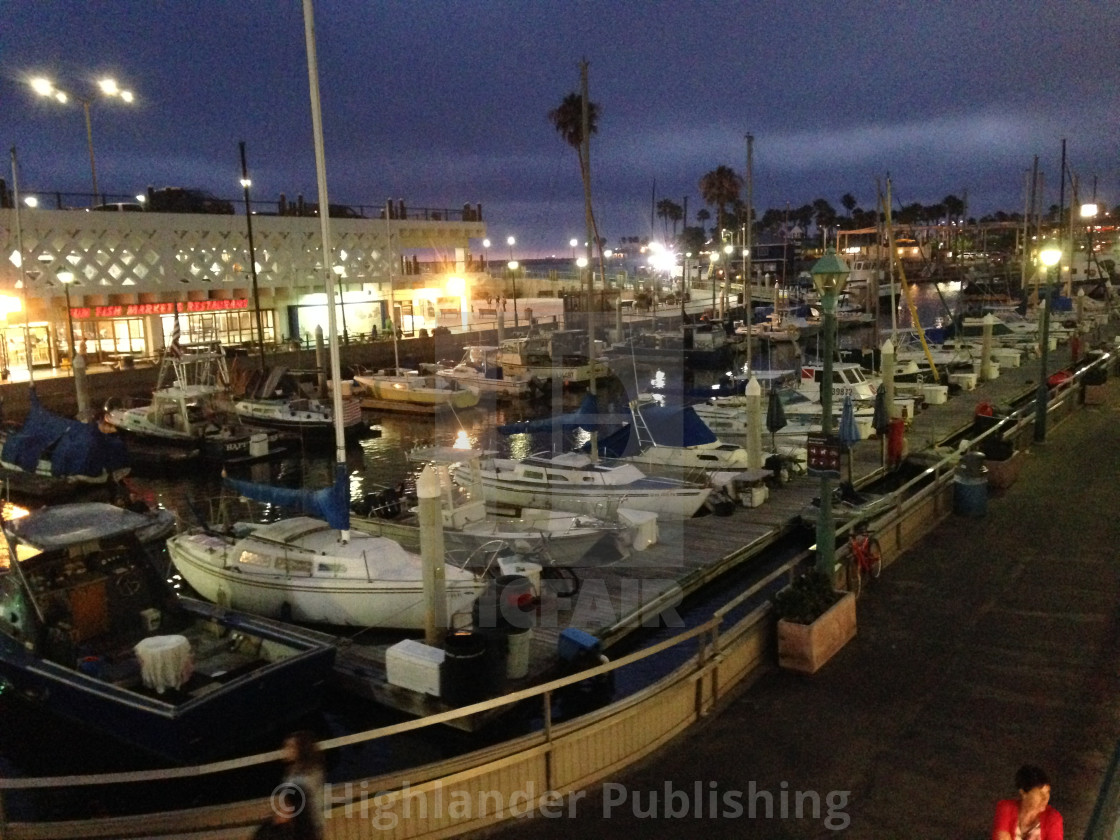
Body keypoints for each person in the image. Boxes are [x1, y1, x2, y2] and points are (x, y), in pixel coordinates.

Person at [256, 731, 325, 840]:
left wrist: (280, 817)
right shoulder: (292, 772)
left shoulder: (310, 772)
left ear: (301, 749)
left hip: (307, 827)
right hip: (298, 827)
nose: (285, 751)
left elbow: (297, 799)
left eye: (290, 747)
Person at [992, 764, 1062, 840]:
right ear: (1023, 793)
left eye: (1048, 792)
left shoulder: (1053, 818)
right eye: (1040, 793)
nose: (1045, 798)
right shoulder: (1006, 808)